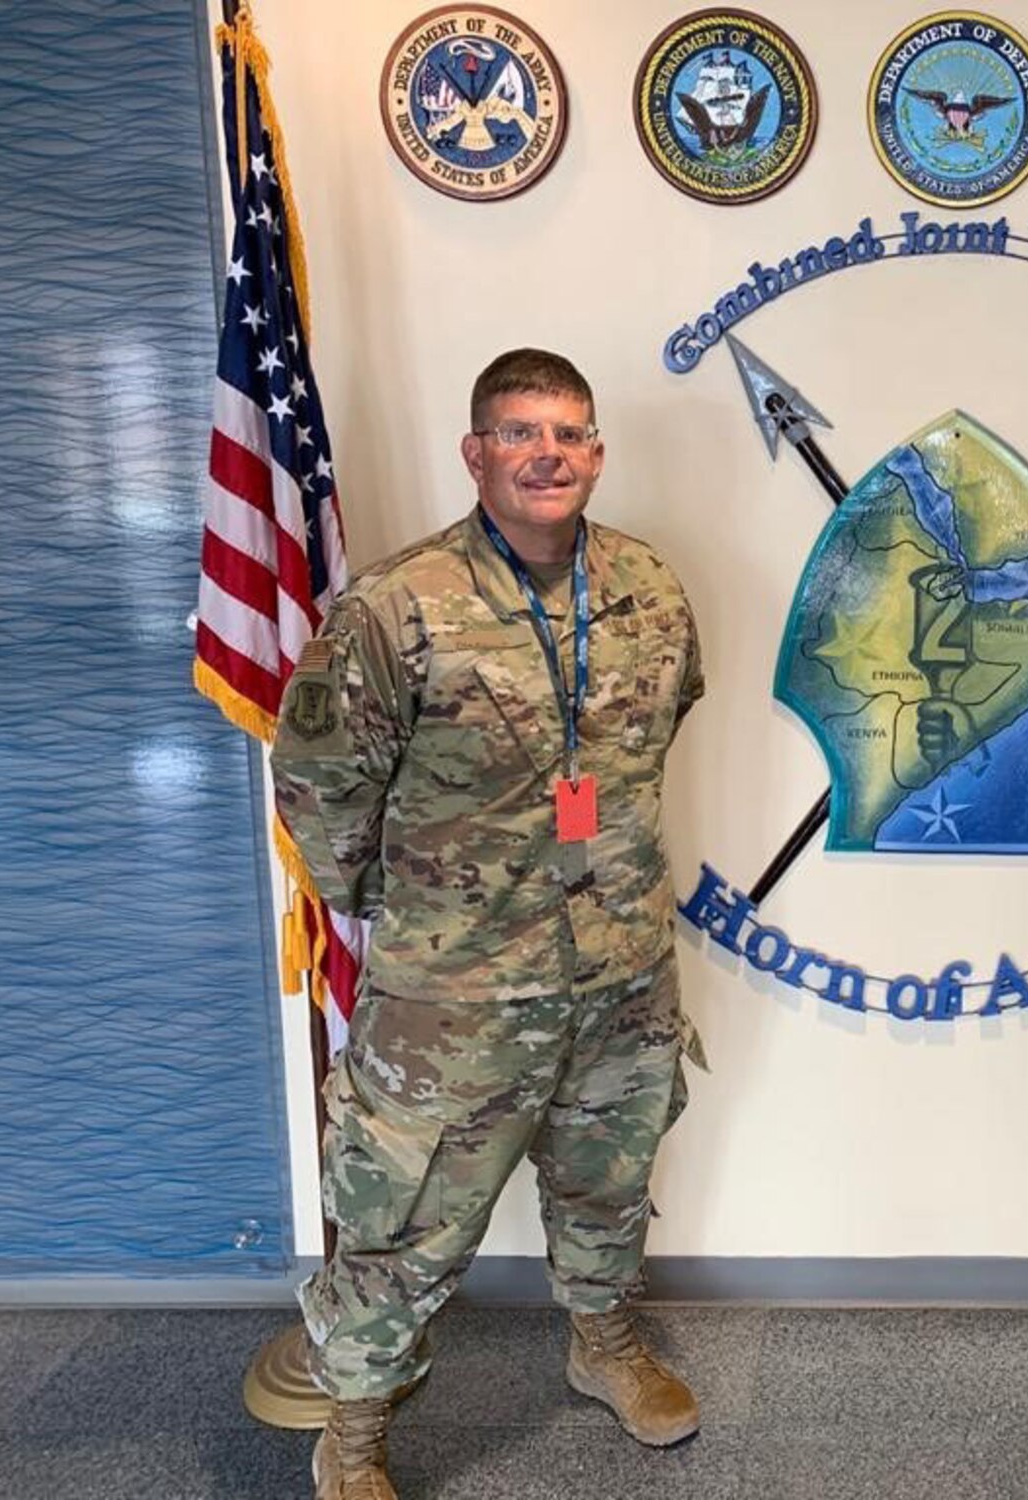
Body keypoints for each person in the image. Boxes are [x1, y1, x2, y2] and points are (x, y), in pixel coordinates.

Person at [272, 348, 707, 1500]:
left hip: (618, 971)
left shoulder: (651, 591)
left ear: (596, 453)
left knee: (608, 1182)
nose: (546, 453)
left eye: (568, 433)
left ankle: (602, 1344)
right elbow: (319, 789)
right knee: (405, 1218)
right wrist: (404, 905)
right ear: (476, 454)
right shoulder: (396, 605)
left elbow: (658, 735)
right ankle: (354, 1431)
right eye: (519, 433)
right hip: (454, 993)